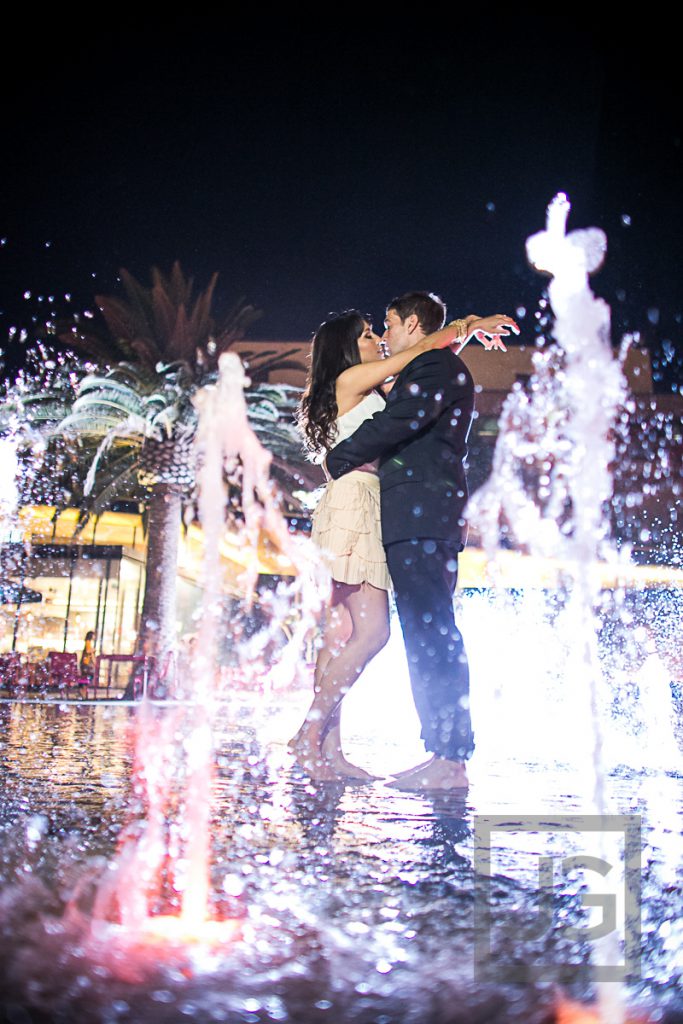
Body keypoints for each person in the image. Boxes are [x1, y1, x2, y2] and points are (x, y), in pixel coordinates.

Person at [290, 305, 514, 781]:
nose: (381, 338)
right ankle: (308, 736)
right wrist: (465, 328)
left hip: (361, 504)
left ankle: (329, 752)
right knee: (372, 634)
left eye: (383, 327)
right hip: (356, 504)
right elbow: (415, 362)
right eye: (370, 333)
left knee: (342, 634)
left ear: (411, 323)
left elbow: (419, 374)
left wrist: (462, 333)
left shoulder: (372, 384)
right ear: (348, 347)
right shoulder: (355, 377)